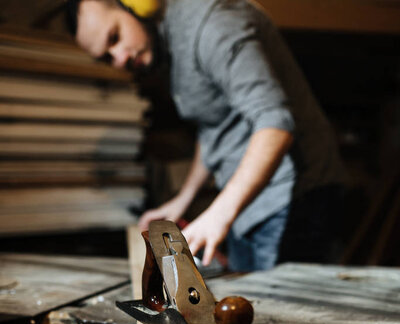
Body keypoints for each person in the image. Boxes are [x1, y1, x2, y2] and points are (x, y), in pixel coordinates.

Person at [68, 0, 347, 271]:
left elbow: (275, 124)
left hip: (296, 194)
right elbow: (214, 125)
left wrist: (219, 213)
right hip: (248, 199)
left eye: (115, 37)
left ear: (138, 5)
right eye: (106, 57)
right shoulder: (166, 43)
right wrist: (184, 198)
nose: (119, 58)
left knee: (282, 312)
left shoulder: (214, 23)